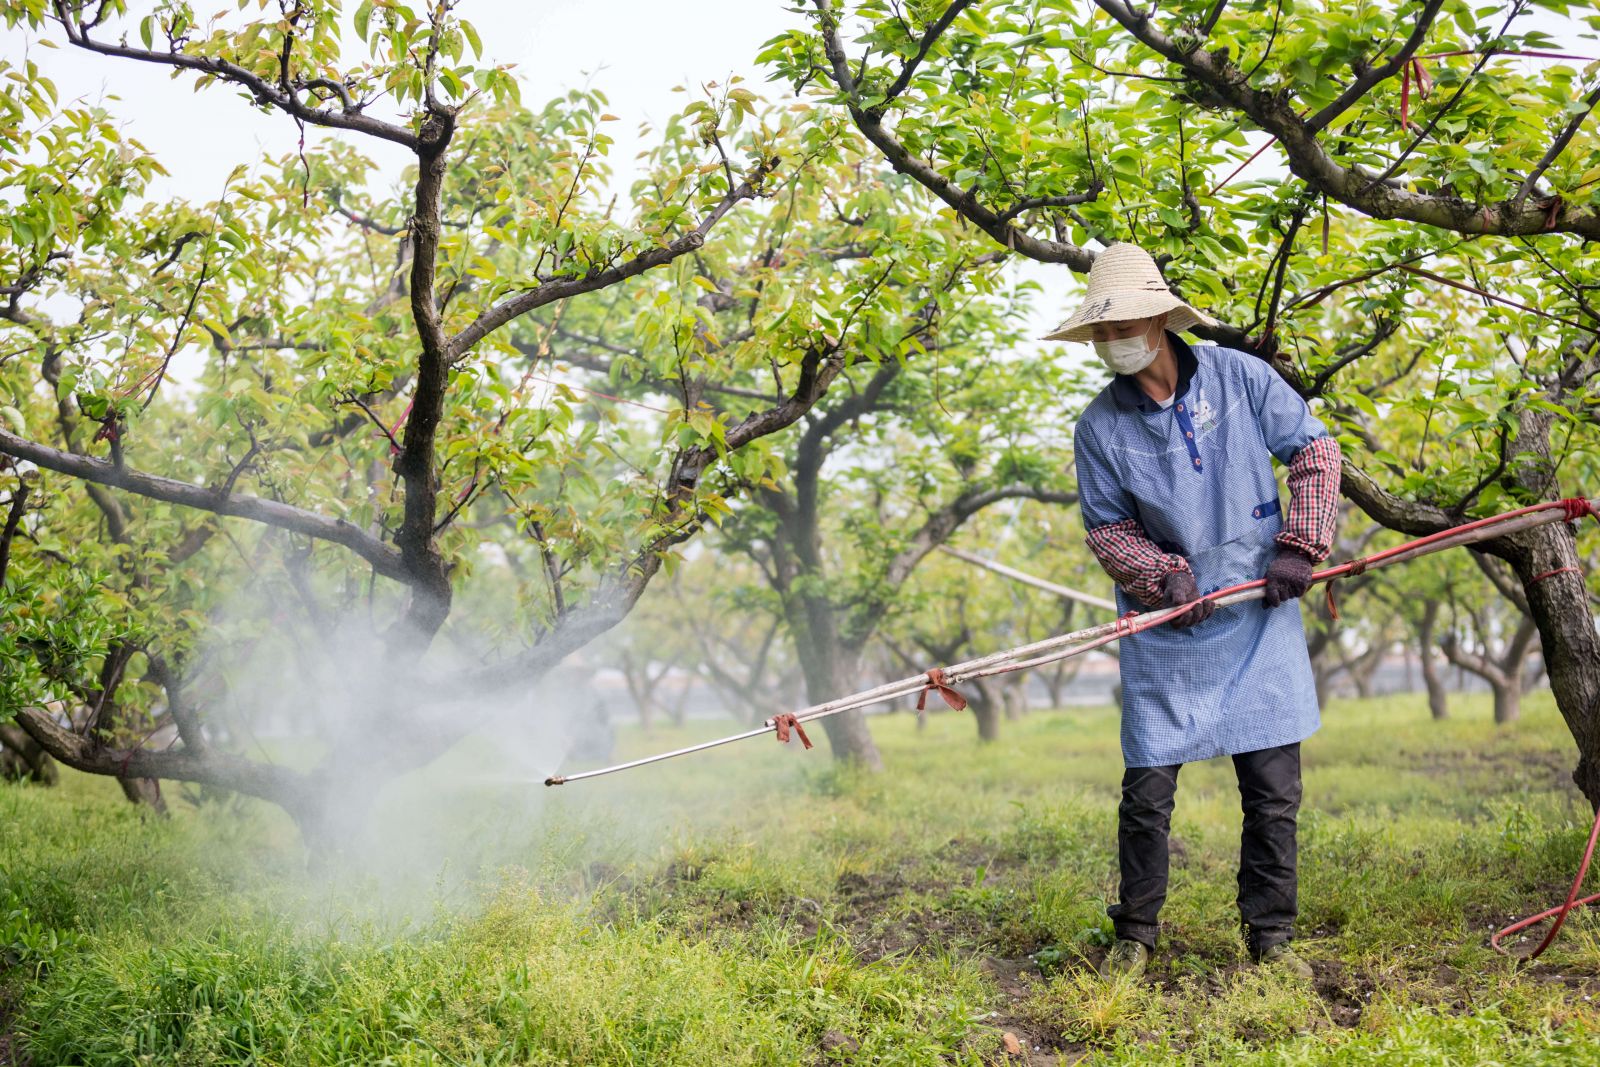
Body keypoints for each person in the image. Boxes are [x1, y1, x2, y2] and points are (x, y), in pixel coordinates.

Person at [1048, 243, 1341, 981]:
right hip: (1170, 626)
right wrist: (1161, 577)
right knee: (1146, 791)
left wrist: (1299, 546)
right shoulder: (1098, 428)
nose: (1114, 341)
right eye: (1102, 332)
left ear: (1159, 320)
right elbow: (1108, 528)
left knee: (1273, 790)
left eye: (1125, 326)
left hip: (1257, 607)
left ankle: (1270, 934)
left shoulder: (1239, 377)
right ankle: (1136, 933)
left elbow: (1314, 450)